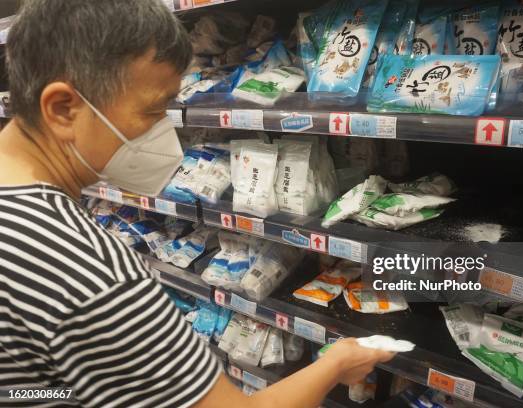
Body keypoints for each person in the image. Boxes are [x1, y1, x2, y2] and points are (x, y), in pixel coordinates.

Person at [0, 1, 395, 407]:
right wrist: (335, 364)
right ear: (64, 108)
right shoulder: (89, 272)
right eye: (153, 111)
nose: (165, 137)